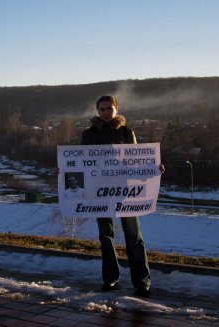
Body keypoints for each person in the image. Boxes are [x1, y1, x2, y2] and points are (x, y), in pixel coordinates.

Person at [81, 95, 164, 298]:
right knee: (106, 236)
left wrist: (154, 168)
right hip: (100, 192)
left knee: (134, 236)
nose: (106, 112)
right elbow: (80, 162)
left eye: (109, 108)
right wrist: (63, 172)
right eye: (102, 109)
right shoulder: (89, 135)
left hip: (126, 192)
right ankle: (110, 278)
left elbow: (136, 161)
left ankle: (142, 282)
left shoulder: (127, 132)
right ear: (96, 111)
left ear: (116, 109)